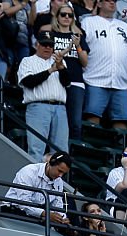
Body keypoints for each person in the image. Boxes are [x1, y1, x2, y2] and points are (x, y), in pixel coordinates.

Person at [81, 0, 127, 130]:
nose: (112, 3)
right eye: (108, 0)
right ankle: (89, 149)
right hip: (95, 78)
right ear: (99, 4)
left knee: (122, 120)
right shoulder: (88, 22)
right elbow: (81, 48)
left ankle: (119, 149)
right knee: (92, 117)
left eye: (114, 1)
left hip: (120, 81)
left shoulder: (123, 25)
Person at [18, 33, 69, 161]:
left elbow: (67, 83)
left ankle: (57, 180)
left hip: (60, 107)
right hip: (38, 106)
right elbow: (28, 82)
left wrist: (61, 68)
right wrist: (50, 70)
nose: (47, 48)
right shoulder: (28, 61)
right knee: (36, 148)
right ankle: (33, 180)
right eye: (44, 44)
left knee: (60, 151)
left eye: (50, 45)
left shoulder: (59, 60)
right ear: (37, 45)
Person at [2, 151, 72, 230]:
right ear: (50, 163)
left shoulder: (59, 181)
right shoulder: (29, 171)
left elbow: (58, 205)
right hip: (14, 211)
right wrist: (46, 214)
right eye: (59, 171)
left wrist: (63, 218)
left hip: (37, 216)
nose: (60, 175)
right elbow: (23, 203)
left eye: (64, 173)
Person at [49, 5, 87, 142]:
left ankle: (72, 152)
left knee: (75, 122)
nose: (66, 17)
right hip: (55, 80)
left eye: (70, 15)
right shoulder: (51, 35)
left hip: (76, 81)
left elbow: (85, 62)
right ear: (57, 17)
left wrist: (77, 46)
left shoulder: (78, 36)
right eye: (63, 14)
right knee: (57, 120)